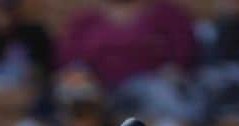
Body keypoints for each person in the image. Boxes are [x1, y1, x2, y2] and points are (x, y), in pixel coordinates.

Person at [55, 0, 197, 98]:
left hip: (151, 86)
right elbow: (69, 59)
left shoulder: (168, 13)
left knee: (163, 92)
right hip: (98, 87)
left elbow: (184, 52)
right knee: (76, 90)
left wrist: (174, 70)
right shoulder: (85, 18)